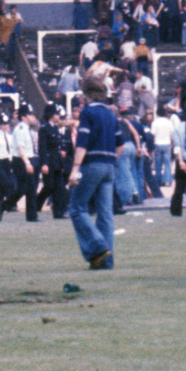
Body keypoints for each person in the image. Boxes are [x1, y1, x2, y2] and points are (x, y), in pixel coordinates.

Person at [67, 71, 125, 269]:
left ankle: (97, 247)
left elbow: (82, 142)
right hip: (110, 166)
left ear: (86, 93)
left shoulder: (88, 112)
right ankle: (105, 261)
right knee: (105, 214)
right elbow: (121, 146)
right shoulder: (110, 113)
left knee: (76, 208)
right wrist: (110, 160)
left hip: (92, 164)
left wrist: (75, 168)